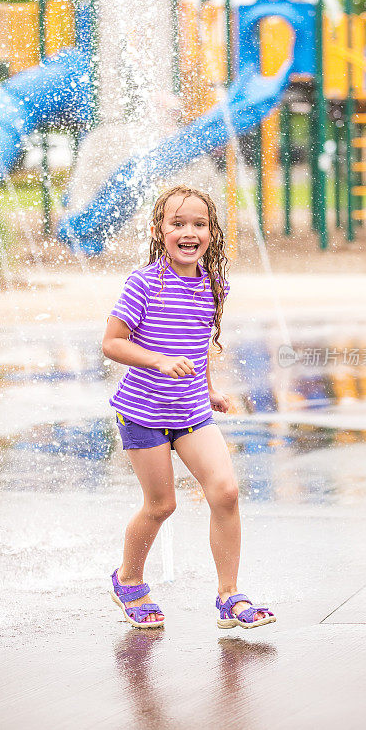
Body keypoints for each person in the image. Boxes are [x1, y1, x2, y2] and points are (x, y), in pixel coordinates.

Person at [102, 185, 276, 630]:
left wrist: (209, 386)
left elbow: (197, 344)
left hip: (191, 411)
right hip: (142, 413)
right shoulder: (143, 283)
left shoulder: (213, 285)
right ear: (160, 230)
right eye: (177, 223)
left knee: (226, 492)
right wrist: (158, 360)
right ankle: (130, 581)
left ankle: (229, 595)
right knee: (161, 506)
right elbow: (112, 344)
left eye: (199, 224)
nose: (188, 232)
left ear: (211, 233)